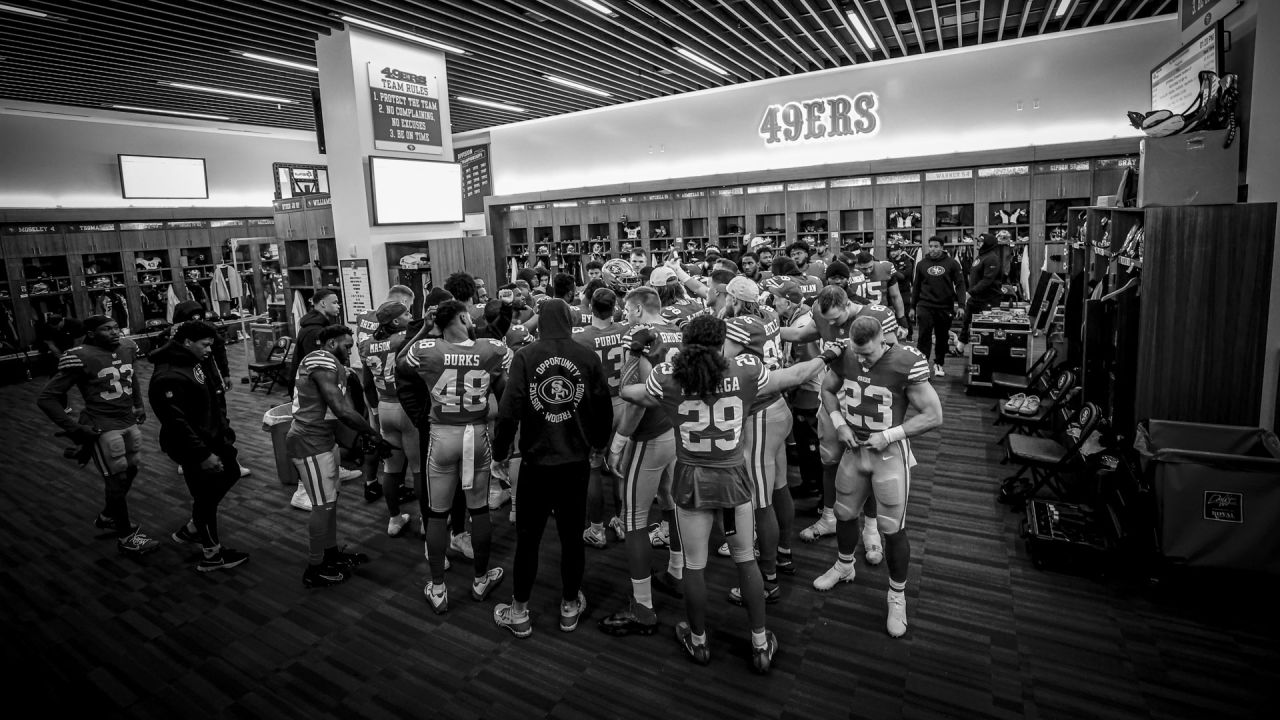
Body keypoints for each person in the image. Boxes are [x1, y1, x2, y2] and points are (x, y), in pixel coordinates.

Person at [618, 314, 834, 672]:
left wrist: (634, 353)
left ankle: (699, 640)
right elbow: (794, 376)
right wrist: (824, 358)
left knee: (694, 565)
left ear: (686, 344)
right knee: (744, 560)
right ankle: (761, 643)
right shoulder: (746, 371)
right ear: (722, 344)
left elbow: (629, 392)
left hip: (692, 482)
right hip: (733, 479)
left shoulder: (667, 377)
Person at [491, 298, 613, 637]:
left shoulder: (526, 356)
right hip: (575, 461)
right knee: (572, 538)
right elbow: (603, 406)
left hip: (535, 462)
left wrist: (501, 451)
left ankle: (518, 611)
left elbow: (508, 409)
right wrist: (599, 445)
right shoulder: (586, 355)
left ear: (541, 321)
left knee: (527, 539)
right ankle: (569, 607)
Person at [814, 316, 943, 638]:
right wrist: (839, 423)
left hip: (888, 455)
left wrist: (889, 435)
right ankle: (845, 565)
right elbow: (827, 389)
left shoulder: (904, 361)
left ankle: (896, 596)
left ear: (884, 340)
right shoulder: (845, 353)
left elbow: (934, 414)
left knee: (892, 528)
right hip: (854, 448)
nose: (861, 359)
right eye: (857, 353)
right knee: (844, 513)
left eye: (868, 354)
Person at [399, 301, 509, 614]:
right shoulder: (491, 348)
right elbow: (506, 367)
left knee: (437, 514)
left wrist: (426, 327)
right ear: (462, 316)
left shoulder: (426, 348)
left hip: (442, 435)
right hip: (476, 434)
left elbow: (399, 365)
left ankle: (437, 587)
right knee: (480, 511)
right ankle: (480, 579)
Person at [780, 286, 898, 558]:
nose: (832, 324)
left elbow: (892, 358)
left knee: (870, 466)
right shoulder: (822, 316)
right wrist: (764, 330)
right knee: (829, 460)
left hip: (869, 399)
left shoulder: (875, 316)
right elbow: (800, 334)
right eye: (828, 320)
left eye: (837, 318)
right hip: (834, 394)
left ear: (848, 304)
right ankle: (829, 516)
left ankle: (870, 529)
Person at [597, 286, 685, 638]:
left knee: (634, 518)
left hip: (650, 433)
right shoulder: (678, 329)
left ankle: (643, 607)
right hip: (678, 428)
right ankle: (676, 571)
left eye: (626, 308)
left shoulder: (637, 336)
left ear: (635, 309)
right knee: (671, 501)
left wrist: (618, 441)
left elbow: (637, 397)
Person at [36, 315, 158, 556]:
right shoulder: (80, 355)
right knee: (116, 477)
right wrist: (74, 428)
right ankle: (126, 537)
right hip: (102, 423)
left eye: (115, 328)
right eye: (106, 329)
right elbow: (47, 398)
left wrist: (138, 404)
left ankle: (108, 516)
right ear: (92, 333)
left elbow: (130, 375)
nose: (114, 332)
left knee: (131, 468)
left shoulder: (127, 347)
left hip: (126, 418)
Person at [288, 325, 385, 588]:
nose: (350, 351)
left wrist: (359, 437)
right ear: (331, 343)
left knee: (329, 501)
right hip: (309, 441)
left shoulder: (333, 364)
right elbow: (340, 409)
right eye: (346, 346)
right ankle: (315, 566)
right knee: (323, 505)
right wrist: (372, 434)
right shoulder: (320, 359)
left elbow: (337, 412)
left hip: (323, 438)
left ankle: (329, 554)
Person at [149, 320, 248, 571]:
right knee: (204, 498)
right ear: (186, 342)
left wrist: (223, 429)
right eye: (204, 345)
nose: (209, 350)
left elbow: (212, 396)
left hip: (213, 437)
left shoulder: (194, 361)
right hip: (193, 447)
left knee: (231, 473)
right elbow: (175, 422)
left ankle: (194, 528)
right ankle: (212, 556)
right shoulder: (168, 374)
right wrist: (202, 454)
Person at [717, 276, 794, 602]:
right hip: (778, 406)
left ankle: (768, 578)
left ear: (732, 297)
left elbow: (724, 364)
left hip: (760, 414)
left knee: (760, 502)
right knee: (778, 486)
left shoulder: (737, 323)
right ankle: (784, 552)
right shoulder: (768, 315)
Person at [572, 287, 631, 548]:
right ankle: (621, 521)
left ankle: (596, 528)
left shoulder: (580, 338)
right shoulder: (627, 330)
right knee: (620, 467)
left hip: (595, 406)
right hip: (624, 401)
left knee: (593, 466)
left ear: (589, 305)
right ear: (615, 307)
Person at [357, 301, 420, 537]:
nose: (410, 315)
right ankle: (426, 520)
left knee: (392, 469)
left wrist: (373, 412)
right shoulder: (403, 338)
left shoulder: (367, 344)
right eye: (406, 314)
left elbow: (366, 383)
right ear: (395, 321)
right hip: (406, 406)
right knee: (417, 468)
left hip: (384, 406)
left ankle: (394, 519)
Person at [767, 280, 822, 498]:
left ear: (788, 303)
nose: (773, 302)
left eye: (776, 298)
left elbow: (805, 368)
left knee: (811, 445)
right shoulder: (796, 318)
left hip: (809, 394)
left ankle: (817, 489)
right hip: (804, 391)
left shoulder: (801, 323)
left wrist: (784, 384)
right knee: (805, 444)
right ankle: (811, 484)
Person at [913, 236, 966, 376]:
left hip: (945, 306)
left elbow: (960, 285)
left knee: (942, 337)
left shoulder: (953, 264)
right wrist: (912, 307)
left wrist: (961, 305)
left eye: (936, 246)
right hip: (925, 305)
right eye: (931, 246)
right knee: (923, 337)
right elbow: (916, 287)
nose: (933, 249)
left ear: (942, 247)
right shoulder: (921, 264)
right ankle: (922, 365)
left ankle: (938, 364)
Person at [962, 232, 1003, 343]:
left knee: (985, 328)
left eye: (981, 241)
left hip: (988, 300)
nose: (978, 243)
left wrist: (970, 292)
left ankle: (985, 353)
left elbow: (987, 280)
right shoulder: (980, 256)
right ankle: (959, 349)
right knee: (966, 322)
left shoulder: (992, 258)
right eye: (978, 241)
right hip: (975, 298)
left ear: (988, 243)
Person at [850, 251, 907, 327]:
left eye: (870, 267)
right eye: (864, 269)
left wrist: (901, 318)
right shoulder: (850, 273)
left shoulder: (884, 268)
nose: (868, 271)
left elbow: (895, 296)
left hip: (881, 315)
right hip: (858, 318)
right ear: (857, 265)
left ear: (873, 261)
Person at [887, 241, 916, 339]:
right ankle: (897, 335)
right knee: (893, 315)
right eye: (891, 251)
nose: (892, 253)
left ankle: (909, 336)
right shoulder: (889, 262)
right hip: (893, 292)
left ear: (900, 250)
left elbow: (904, 276)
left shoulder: (907, 261)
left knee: (905, 314)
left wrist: (893, 271)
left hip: (904, 292)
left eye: (895, 251)